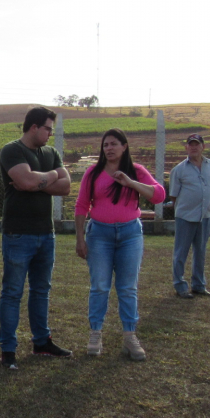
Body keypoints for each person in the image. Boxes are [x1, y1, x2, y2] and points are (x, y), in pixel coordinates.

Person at [74, 128, 166, 361]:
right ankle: (95, 333)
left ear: (124, 146)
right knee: (100, 287)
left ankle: (129, 336)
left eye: (114, 144)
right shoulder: (92, 173)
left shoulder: (136, 172)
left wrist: (131, 182)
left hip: (130, 234)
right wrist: (80, 238)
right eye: (105, 145)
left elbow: (158, 195)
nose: (109, 148)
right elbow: (82, 206)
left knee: (127, 288)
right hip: (99, 235)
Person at [0, 106, 73, 369]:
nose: (50, 134)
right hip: (18, 233)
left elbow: (66, 186)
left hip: (46, 233)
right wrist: (49, 178)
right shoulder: (12, 150)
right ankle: (8, 350)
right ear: (34, 127)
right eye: (48, 129)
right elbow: (28, 183)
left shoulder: (50, 153)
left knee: (41, 291)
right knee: (12, 293)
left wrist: (42, 178)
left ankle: (42, 342)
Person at [168, 133, 210, 298]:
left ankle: (199, 285)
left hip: (206, 215)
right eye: (191, 144)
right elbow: (173, 195)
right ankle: (180, 285)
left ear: (203, 146)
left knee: (201, 251)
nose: (194, 147)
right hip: (185, 216)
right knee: (181, 252)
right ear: (186, 147)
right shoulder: (179, 170)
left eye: (197, 144)